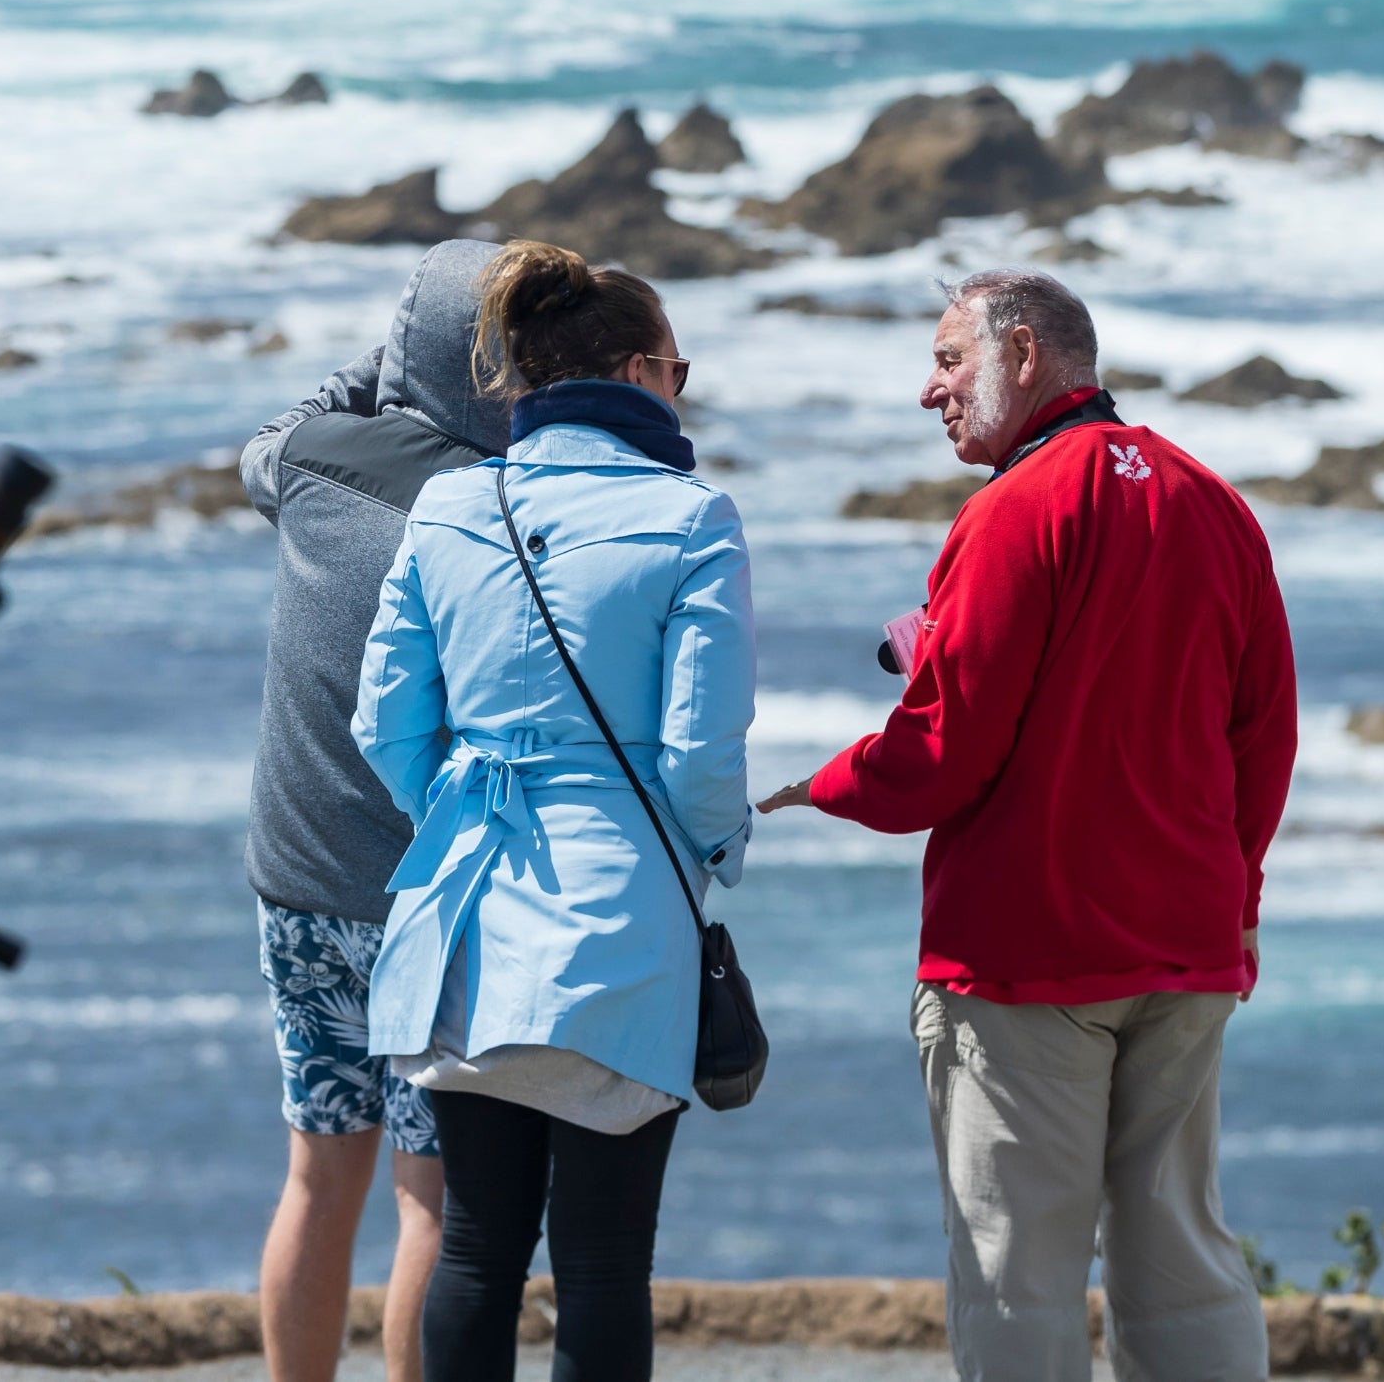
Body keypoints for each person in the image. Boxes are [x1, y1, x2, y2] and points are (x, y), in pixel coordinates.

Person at [760, 268, 1296, 1382]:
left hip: (1026, 959)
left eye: (951, 359)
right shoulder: (1212, 499)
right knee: (1183, 1253)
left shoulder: (1010, 513)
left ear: (1024, 357)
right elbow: (1265, 736)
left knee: (1017, 1271)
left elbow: (938, 756)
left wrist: (819, 784)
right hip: (1189, 948)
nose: (931, 389)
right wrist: (1233, 902)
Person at [352, 239, 756, 1382]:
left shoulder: (450, 505)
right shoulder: (693, 516)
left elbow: (386, 721)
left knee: (476, 1242)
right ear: (637, 372)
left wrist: (466, 806)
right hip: (620, 923)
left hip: (467, 917)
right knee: (604, 1261)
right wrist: (721, 851)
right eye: (679, 366)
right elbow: (699, 757)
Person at [239, 240, 515, 1382]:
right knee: (430, 1205)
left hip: (297, 877)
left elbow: (285, 424)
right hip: (425, 898)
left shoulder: (307, 465)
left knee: (317, 1174)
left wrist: (395, 353)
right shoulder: (494, 508)